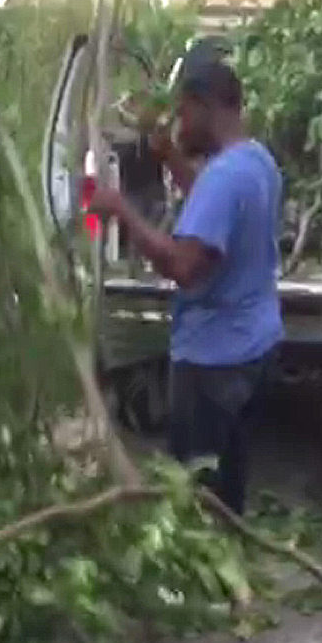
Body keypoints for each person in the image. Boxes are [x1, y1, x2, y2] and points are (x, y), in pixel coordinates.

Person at [91, 60, 284, 514]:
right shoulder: (256, 160)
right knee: (227, 483)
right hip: (252, 347)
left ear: (203, 106)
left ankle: (204, 577)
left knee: (196, 496)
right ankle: (232, 567)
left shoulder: (225, 177)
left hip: (212, 362)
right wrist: (170, 158)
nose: (179, 125)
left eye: (182, 114)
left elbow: (184, 266)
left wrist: (120, 210)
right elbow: (213, 201)